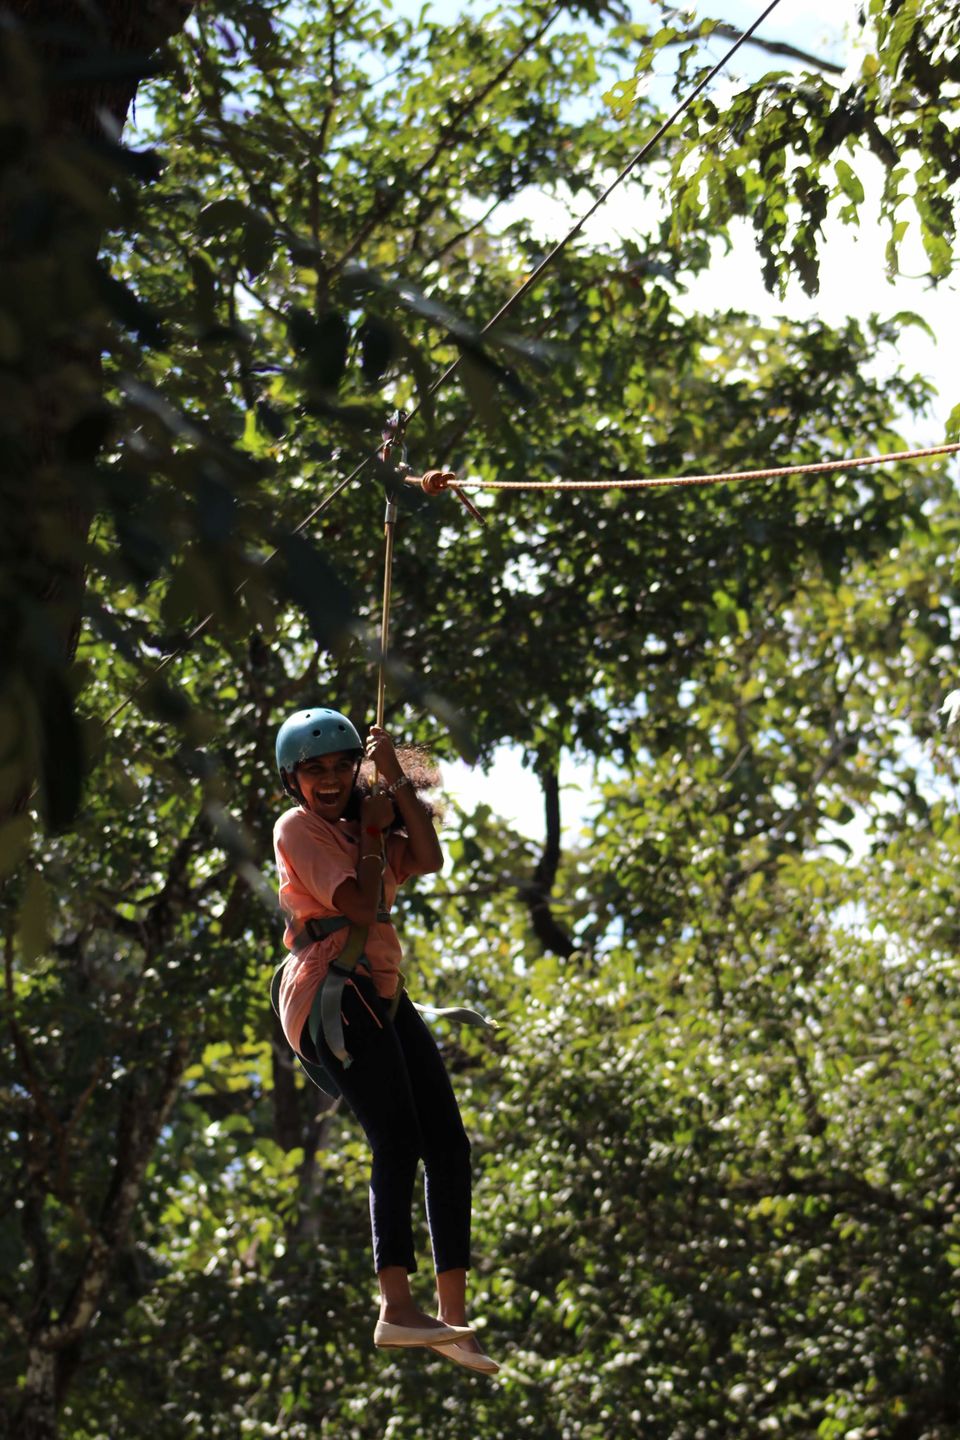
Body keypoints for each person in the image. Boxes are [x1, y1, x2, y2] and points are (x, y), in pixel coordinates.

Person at [272, 706, 499, 1376]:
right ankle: (395, 1305)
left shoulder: (363, 823)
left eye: (343, 764)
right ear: (294, 781)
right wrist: (372, 838)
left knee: (448, 1145)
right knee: (397, 1138)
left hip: (378, 990)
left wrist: (394, 781)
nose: (332, 778)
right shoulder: (300, 829)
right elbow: (361, 908)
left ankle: (452, 1321)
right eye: (315, 770)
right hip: (330, 988)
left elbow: (427, 856)